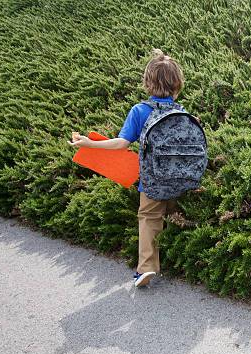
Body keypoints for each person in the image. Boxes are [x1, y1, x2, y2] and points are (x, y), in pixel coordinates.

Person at [68, 49, 185, 288]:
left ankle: (147, 268)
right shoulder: (181, 111)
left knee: (149, 217)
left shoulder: (140, 111)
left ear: (147, 83)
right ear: (177, 84)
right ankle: (181, 257)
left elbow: (121, 144)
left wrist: (90, 143)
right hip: (180, 177)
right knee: (174, 215)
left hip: (152, 180)